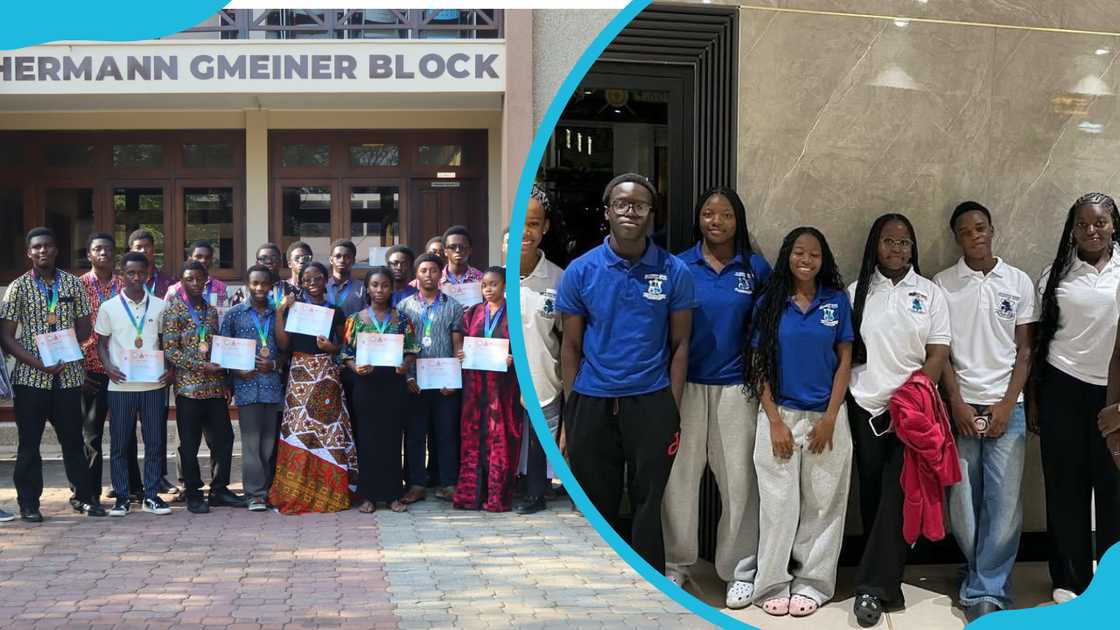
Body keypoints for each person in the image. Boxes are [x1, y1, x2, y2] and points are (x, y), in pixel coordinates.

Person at [556, 173, 696, 573]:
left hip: (651, 401)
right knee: (597, 502)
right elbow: (570, 346)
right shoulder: (581, 270)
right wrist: (573, 407)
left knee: (648, 502)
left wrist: (672, 404)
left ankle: (649, 583)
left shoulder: (674, 271)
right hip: (593, 400)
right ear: (607, 212)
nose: (630, 211)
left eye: (639, 205)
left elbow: (680, 345)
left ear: (652, 213)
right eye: (621, 204)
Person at [661, 187, 771, 606]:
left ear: (737, 220)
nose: (717, 221)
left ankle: (740, 569)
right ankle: (677, 564)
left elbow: (768, 328)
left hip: (737, 388)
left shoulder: (755, 268)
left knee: (740, 482)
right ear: (698, 219)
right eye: (709, 213)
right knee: (680, 479)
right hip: (685, 386)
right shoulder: (678, 265)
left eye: (725, 214)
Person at [847, 213, 951, 626]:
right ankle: (888, 578)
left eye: (905, 242)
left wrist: (910, 398)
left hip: (911, 414)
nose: (897, 248)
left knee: (897, 493)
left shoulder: (929, 293)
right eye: (889, 241)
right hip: (864, 408)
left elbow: (938, 353)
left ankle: (872, 588)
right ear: (875, 244)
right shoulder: (857, 292)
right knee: (872, 495)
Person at [933, 202, 1035, 620]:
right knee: (963, 500)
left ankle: (985, 589)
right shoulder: (942, 283)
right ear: (957, 237)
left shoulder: (1019, 281)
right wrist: (956, 402)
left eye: (981, 227)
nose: (975, 235)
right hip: (959, 404)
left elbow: (1025, 350)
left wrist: (1007, 404)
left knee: (1005, 502)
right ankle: (980, 571)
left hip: (1008, 406)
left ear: (992, 229)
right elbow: (941, 351)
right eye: (965, 230)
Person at [746, 227, 853, 617]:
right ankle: (772, 582)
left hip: (827, 416)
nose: (806, 261)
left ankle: (813, 583)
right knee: (778, 505)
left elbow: (845, 359)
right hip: (781, 415)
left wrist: (830, 417)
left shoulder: (836, 301)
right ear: (787, 256)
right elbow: (757, 363)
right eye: (798, 253)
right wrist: (774, 420)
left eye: (814, 255)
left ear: (823, 260)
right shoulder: (770, 302)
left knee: (823, 505)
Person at [1031, 192, 1120, 604]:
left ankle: (1112, 580)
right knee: (1065, 486)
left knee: (1114, 486)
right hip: (1062, 389)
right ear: (1072, 229)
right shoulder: (1056, 273)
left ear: (1114, 225)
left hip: (1114, 394)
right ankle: (1070, 578)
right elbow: (1038, 341)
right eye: (1082, 223)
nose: (1091, 230)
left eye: (1100, 222)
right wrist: (1034, 399)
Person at [0, 227, 103, 521]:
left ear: (56, 249)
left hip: (69, 376)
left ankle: (83, 497)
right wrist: (37, 362)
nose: (42, 251)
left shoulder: (72, 284)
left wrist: (68, 344)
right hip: (31, 378)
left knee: (72, 440)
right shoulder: (18, 287)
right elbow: (7, 336)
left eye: (47, 246)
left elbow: (85, 326)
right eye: (37, 247)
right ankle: (29, 504)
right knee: (29, 443)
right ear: (28, 253)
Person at [270, 261, 356, 513]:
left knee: (328, 431)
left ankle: (330, 492)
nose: (311, 283)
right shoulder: (293, 309)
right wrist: (279, 312)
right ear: (301, 282)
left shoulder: (335, 311)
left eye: (317, 278)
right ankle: (297, 490)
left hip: (326, 375)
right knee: (298, 430)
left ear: (325, 280)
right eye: (306, 279)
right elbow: (284, 344)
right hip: (299, 373)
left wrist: (332, 347)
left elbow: (342, 345)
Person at [162, 260, 244, 514]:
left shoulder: (210, 311)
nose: (196, 284)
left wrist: (224, 378)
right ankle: (194, 493)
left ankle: (219, 489)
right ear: (182, 281)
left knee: (224, 439)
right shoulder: (173, 310)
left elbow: (217, 347)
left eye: (200, 279)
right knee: (189, 444)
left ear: (206, 280)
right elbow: (171, 351)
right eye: (190, 279)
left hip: (214, 388)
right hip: (188, 390)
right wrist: (201, 366)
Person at [95, 252, 174, 516]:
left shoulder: (161, 306)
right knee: (119, 444)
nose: (136, 278)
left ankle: (151, 496)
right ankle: (123, 497)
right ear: (122, 274)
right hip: (121, 386)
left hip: (152, 386)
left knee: (154, 443)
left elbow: (168, 343)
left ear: (148, 274)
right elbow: (100, 344)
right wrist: (108, 367)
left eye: (141, 273)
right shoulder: (109, 307)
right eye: (131, 273)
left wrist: (170, 369)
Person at [341, 266, 418, 514]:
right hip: (365, 385)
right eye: (375, 285)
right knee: (366, 440)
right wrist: (355, 368)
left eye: (385, 285)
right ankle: (367, 496)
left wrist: (405, 365)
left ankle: (393, 494)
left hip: (394, 385)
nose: (380, 290)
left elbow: (412, 351)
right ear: (368, 288)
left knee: (393, 439)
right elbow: (345, 355)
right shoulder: (354, 320)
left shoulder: (403, 319)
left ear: (391, 288)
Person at [78, 232, 143, 505]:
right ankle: (89, 493)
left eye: (107, 249)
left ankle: (130, 489)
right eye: (97, 249)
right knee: (91, 436)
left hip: (121, 371)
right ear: (89, 255)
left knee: (125, 434)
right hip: (90, 372)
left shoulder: (124, 284)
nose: (102, 253)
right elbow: (68, 330)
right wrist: (78, 370)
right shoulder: (76, 286)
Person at [397, 253, 466, 503]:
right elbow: (400, 346)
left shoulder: (454, 306)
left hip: (444, 383)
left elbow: (457, 346)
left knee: (446, 433)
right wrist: (407, 378)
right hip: (414, 382)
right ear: (416, 275)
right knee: (415, 435)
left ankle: (449, 483)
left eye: (434, 270)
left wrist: (454, 380)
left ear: (441, 274)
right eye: (424, 270)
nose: (429, 275)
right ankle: (416, 484)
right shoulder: (404, 307)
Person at [515, 185, 565, 515]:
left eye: (534, 223)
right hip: (502, 375)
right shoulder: (495, 278)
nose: (526, 231)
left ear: (545, 227)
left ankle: (536, 494)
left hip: (543, 375)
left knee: (538, 440)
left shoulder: (559, 279)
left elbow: (567, 336)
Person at [453, 267, 520, 511]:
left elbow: (524, 347)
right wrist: (461, 353)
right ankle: (470, 495)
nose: (488, 290)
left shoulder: (514, 313)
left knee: (500, 438)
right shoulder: (473, 313)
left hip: (503, 387)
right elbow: (463, 341)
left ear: (505, 286)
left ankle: (496, 497)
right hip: (475, 386)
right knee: (473, 438)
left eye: (493, 285)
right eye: (484, 285)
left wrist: (515, 358)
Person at [219, 265, 283, 512]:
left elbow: (287, 351)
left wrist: (274, 364)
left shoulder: (277, 314)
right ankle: (254, 494)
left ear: (270, 286)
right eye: (254, 283)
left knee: (268, 444)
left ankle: (266, 490)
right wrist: (235, 373)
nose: (259, 288)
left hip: (272, 387)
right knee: (251, 443)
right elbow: (224, 351)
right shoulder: (234, 314)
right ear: (247, 284)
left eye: (264, 284)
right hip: (246, 387)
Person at [128, 228, 177, 495]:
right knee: (126, 425)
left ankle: (157, 477)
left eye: (147, 247)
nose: (143, 251)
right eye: (138, 247)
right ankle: (131, 481)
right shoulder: (121, 281)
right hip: (128, 364)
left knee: (155, 425)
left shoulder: (169, 282)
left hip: (157, 364)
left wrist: (170, 366)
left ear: (153, 251)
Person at [165, 241, 228, 307]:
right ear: (189, 259)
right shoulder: (175, 291)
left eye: (207, 257)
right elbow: (163, 315)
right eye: (198, 257)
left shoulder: (221, 288)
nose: (203, 260)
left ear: (211, 260)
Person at [326, 239, 365, 315]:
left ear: (353, 261)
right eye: (338, 256)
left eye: (347, 257)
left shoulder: (362, 288)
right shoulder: (321, 287)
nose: (342, 260)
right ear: (331, 260)